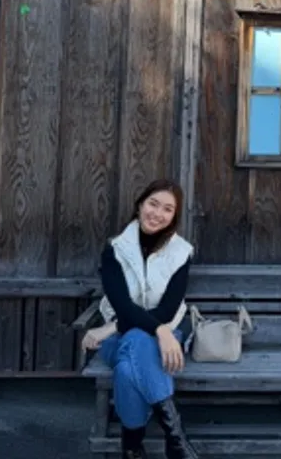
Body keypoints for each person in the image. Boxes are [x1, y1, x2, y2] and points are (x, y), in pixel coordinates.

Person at [81, 179, 199, 459]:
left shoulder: (181, 253)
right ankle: (175, 438)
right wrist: (160, 331)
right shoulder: (115, 249)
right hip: (131, 339)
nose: (157, 213)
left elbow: (168, 311)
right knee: (136, 341)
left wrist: (111, 328)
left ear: (174, 217)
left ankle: (132, 448)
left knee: (126, 369)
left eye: (167, 209)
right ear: (140, 205)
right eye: (153, 204)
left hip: (158, 338)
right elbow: (122, 305)